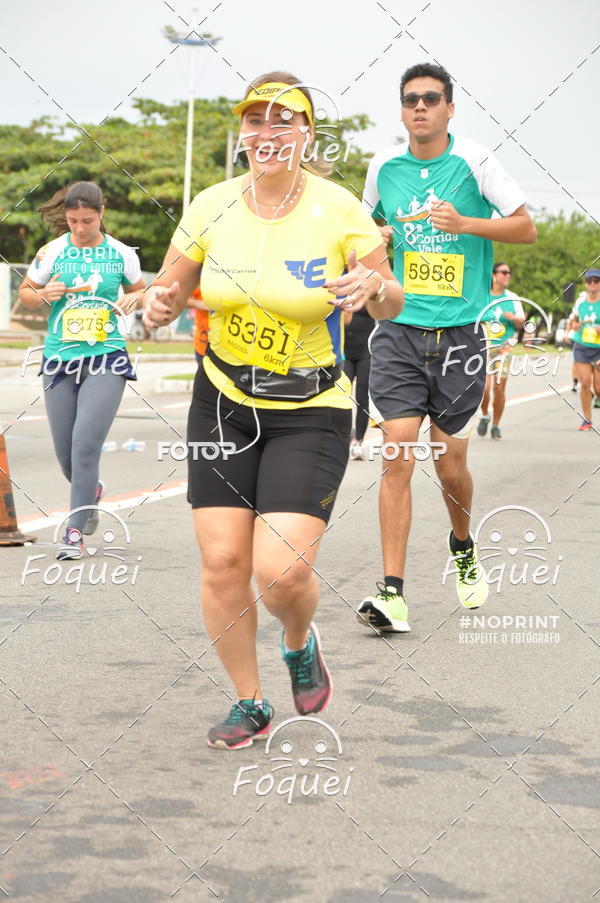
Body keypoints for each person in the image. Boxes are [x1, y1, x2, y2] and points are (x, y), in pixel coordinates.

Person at [142, 72, 404, 749]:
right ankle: (250, 701)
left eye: (282, 120)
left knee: (281, 571)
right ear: (243, 135)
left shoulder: (338, 207)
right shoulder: (211, 205)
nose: (266, 132)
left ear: (306, 133)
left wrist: (373, 283)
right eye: (255, 121)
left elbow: (391, 298)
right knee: (224, 562)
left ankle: (298, 640)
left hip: (309, 406)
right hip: (223, 401)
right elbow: (167, 284)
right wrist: (157, 302)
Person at [356, 61, 536, 633]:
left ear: (450, 108)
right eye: (410, 99)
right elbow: (360, 235)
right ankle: (392, 593)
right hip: (400, 332)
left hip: (460, 335)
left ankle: (462, 544)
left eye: (431, 99)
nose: (420, 107)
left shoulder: (477, 161)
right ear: (401, 108)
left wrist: (465, 224)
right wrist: (378, 245)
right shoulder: (384, 166)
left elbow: (525, 226)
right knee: (397, 455)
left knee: (450, 463)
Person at [19, 182, 145, 560]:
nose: (79, 228)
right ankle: (90, 493)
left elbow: (143, 290)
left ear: (102, 213)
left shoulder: (121, 254)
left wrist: (134, 298)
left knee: (85, 444)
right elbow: (26, 291)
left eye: (87, 220)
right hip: (59, 358)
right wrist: (42, 295)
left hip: (106, 356)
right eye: (73, 221)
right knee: (65, 454)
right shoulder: (53, 251)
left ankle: (73, 532)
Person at [477, 262, 526, 439]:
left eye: (509, 273)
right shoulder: (482, 296)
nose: (507, 276)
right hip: (483, 347)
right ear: (494, 275)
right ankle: (484, 415)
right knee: (483, 388)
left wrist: (514, 318)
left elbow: (522, 323)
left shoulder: (512, 298)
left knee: (499, 388)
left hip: (504, 348)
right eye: (504, 272)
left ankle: (496, 425)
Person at [565, 268, 600, 430]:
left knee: (598, 388)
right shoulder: (580, 302)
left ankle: (597, 397)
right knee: (585, 383)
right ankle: (587, 419)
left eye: (596, 281)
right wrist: (575, 326)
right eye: (589, 281)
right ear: (585, 284)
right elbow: (574, 322)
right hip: (582, 346)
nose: (592, 284)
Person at [343, 305, 375, 459]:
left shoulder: (368, 287)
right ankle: (346, 437)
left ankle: (358, 442)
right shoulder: (341, 285)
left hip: (365, 353)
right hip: (345, 353)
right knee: (342, 397)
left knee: (362, 398)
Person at [187, 287, 210, 362]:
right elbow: (181, 299)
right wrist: (200, 304)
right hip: (203, 342)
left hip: (226, 345)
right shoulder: (201, 282)